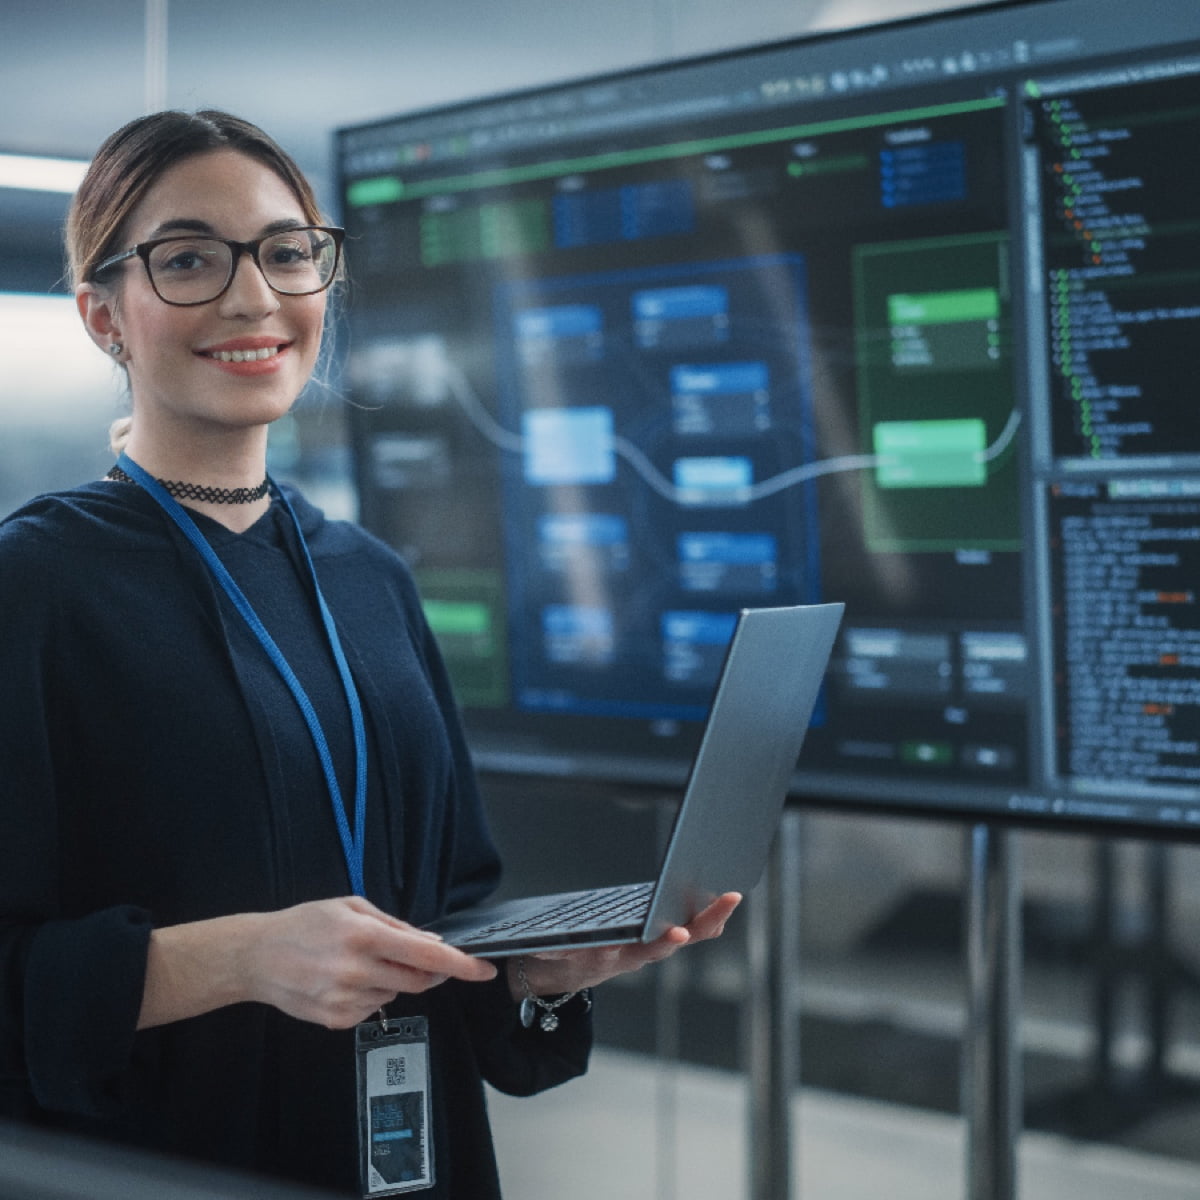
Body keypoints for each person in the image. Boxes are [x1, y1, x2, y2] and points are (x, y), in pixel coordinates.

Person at [0, 110, 739, 1197]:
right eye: (190, 259)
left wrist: (533, 972)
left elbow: (449, 905)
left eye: (288, 252)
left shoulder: (373, 579)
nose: (254, 298)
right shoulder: (36, 584)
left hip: (409, 1153)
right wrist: (239, 957)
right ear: (103, 314)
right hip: (168, 1161)